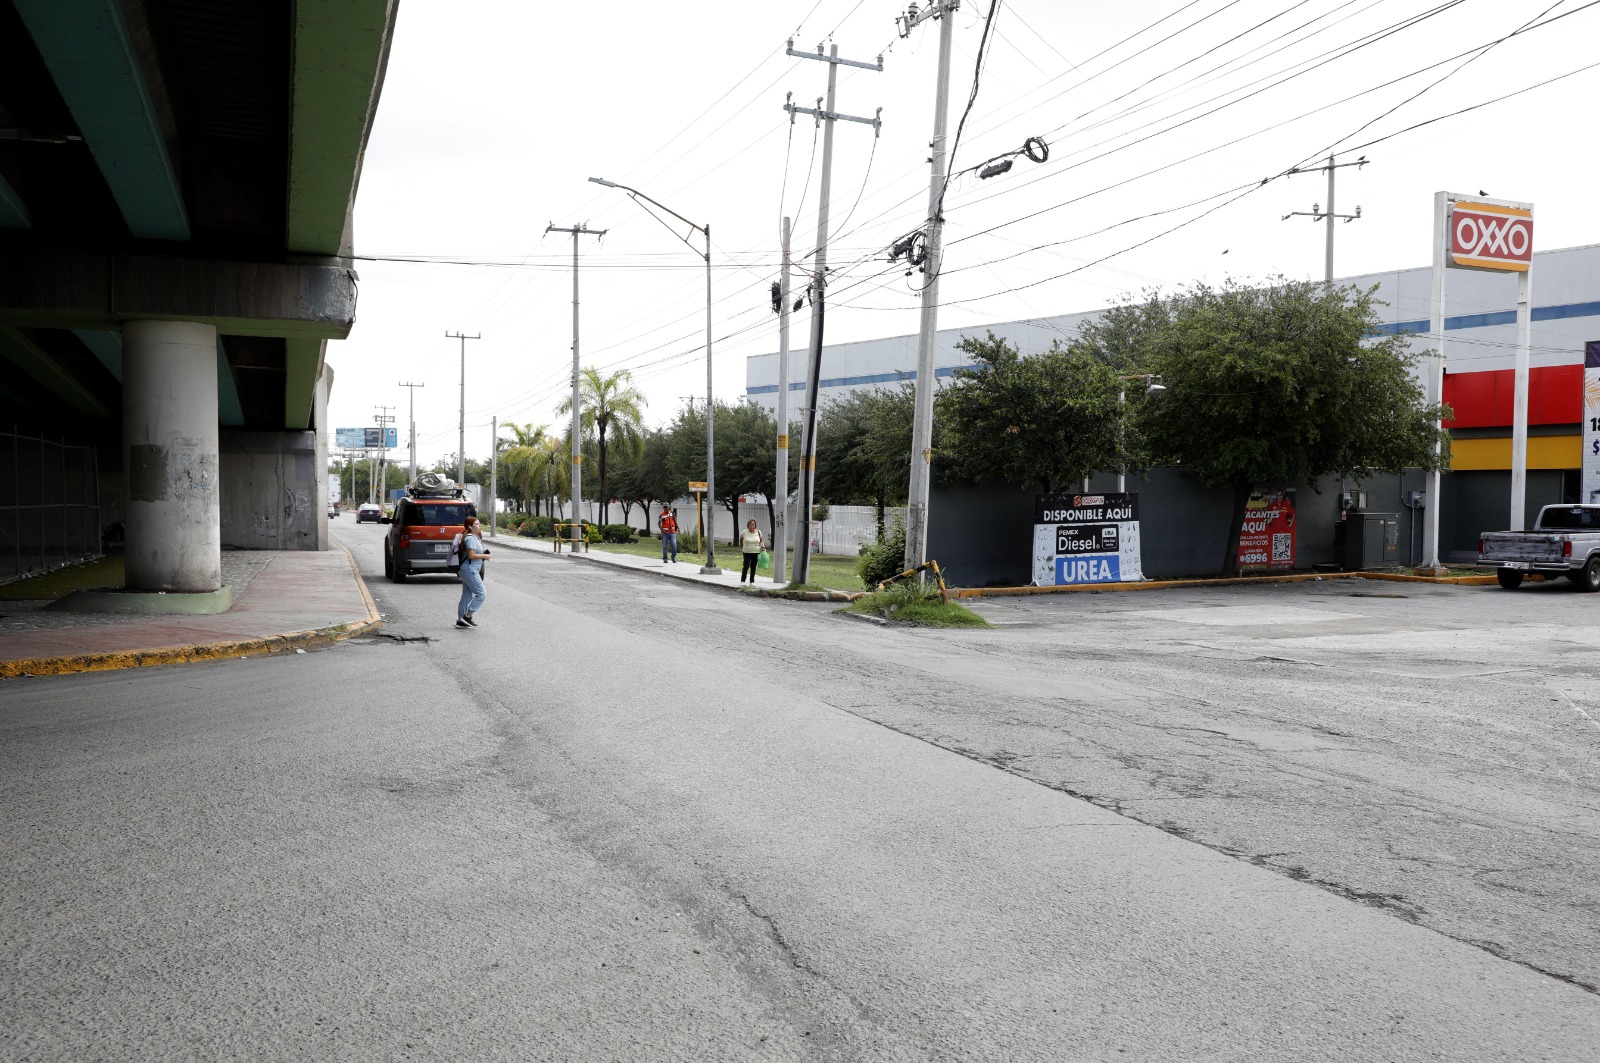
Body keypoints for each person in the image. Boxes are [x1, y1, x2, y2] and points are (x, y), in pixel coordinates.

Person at [456, 516, 490, 629]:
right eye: (477, 524)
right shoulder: (470, 538)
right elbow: (471, 555)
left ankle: (461, 620)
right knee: (481, 593)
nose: (480, 525)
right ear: (470, 526)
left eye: (480, 523)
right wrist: (484, 555)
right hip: (469, 570)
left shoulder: (474, 537)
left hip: (468, 569)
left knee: (467, 594)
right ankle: (468, 616)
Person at [739, 518, 766, 584]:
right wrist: (743, 547)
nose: (751, 525)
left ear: (755, 525)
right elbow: (741, 540)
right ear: (748, 525)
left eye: (753, 524)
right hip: (746, 551)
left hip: (756, 551)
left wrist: (762, 545)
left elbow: (761, 540)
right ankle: (743, 581)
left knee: (753, 566)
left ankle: (752, 581)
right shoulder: (744, 532)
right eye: (750, 524)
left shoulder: (758, 532)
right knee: (746, 565)